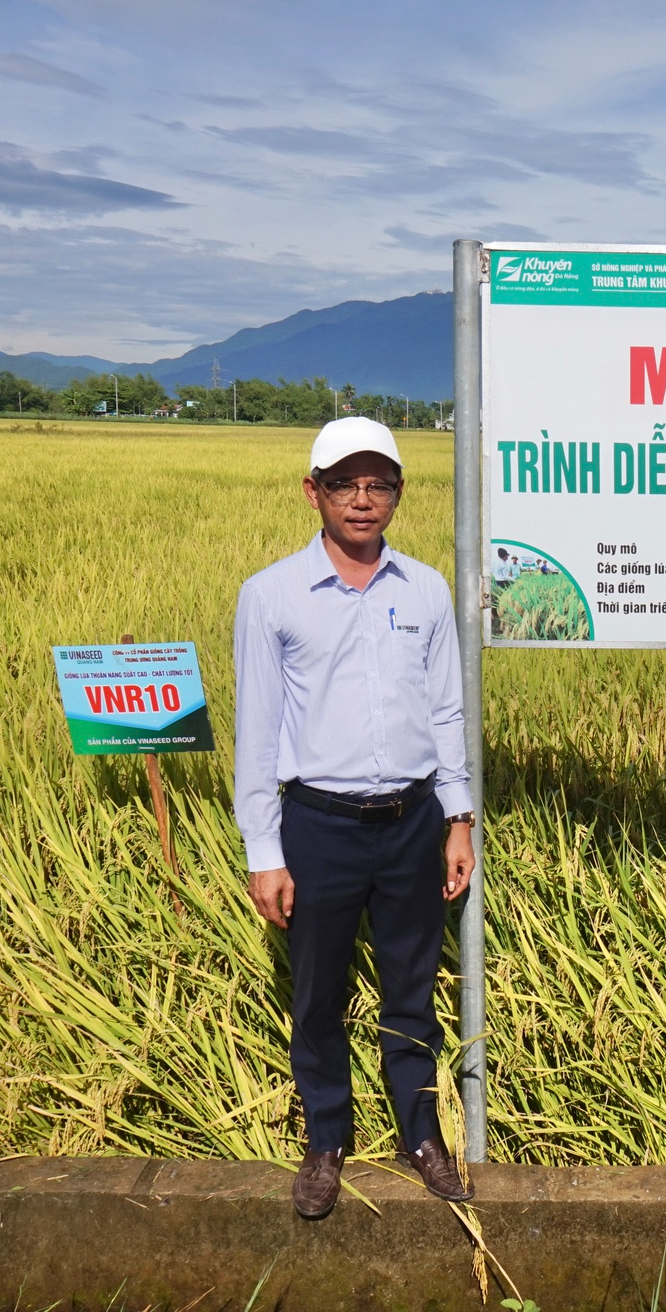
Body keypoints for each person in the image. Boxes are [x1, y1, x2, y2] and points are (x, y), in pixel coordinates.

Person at [233, 416, 478, 1219]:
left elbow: (447, 711)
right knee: (317, 992)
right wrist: (264, 850)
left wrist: (458, 817)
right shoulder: (270, 595)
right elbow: (258, 732)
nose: (363, 500)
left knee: (412, 986)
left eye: (379, 484)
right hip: (319, 825)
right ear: (314, 492)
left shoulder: (428, 589)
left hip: (411, 820)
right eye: (345, 484)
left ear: (398, 494)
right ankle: (326, 1138)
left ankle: (420, 1133)